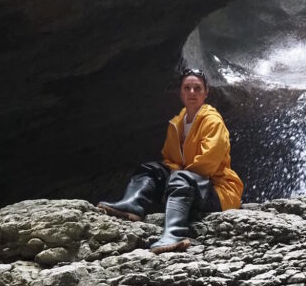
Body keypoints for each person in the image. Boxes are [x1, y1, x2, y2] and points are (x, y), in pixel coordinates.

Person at [98, 67, 244, 253]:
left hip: (218, 191)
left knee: (180, 178)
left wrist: (177, 175)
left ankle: (174, 235)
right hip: (188, 185)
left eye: (197, 88)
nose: (192, 92)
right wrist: (173, 172)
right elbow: (170, 158)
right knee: (151, 169)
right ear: (181, 92)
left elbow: (208, 163)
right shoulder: (176, 124)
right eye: (187, 88)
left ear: (206, 93)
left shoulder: (213, 121)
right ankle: (133, 205)